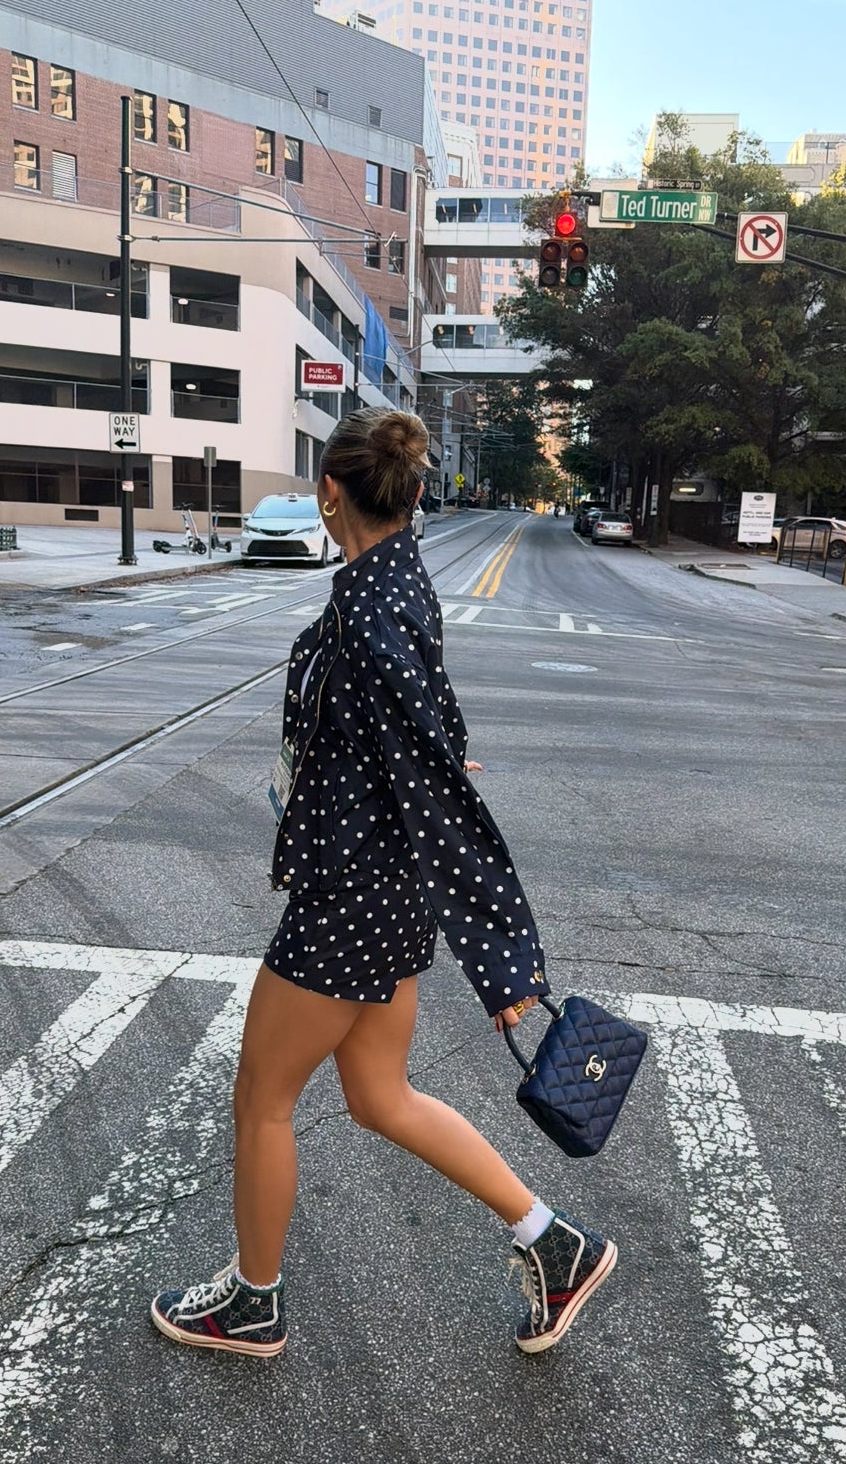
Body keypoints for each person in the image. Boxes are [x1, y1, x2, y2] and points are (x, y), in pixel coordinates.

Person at [151, 407, 616, 1359]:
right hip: (384, 887)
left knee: (262, 1098)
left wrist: (506, 963)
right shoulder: (395, 577)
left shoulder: (368, 607)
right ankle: (553, 1243)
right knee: (379, 1095)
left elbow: (433, 765)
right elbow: (426, 715)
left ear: (331, 494)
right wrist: (434, 754)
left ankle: (252, 1301)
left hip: (351, 895)